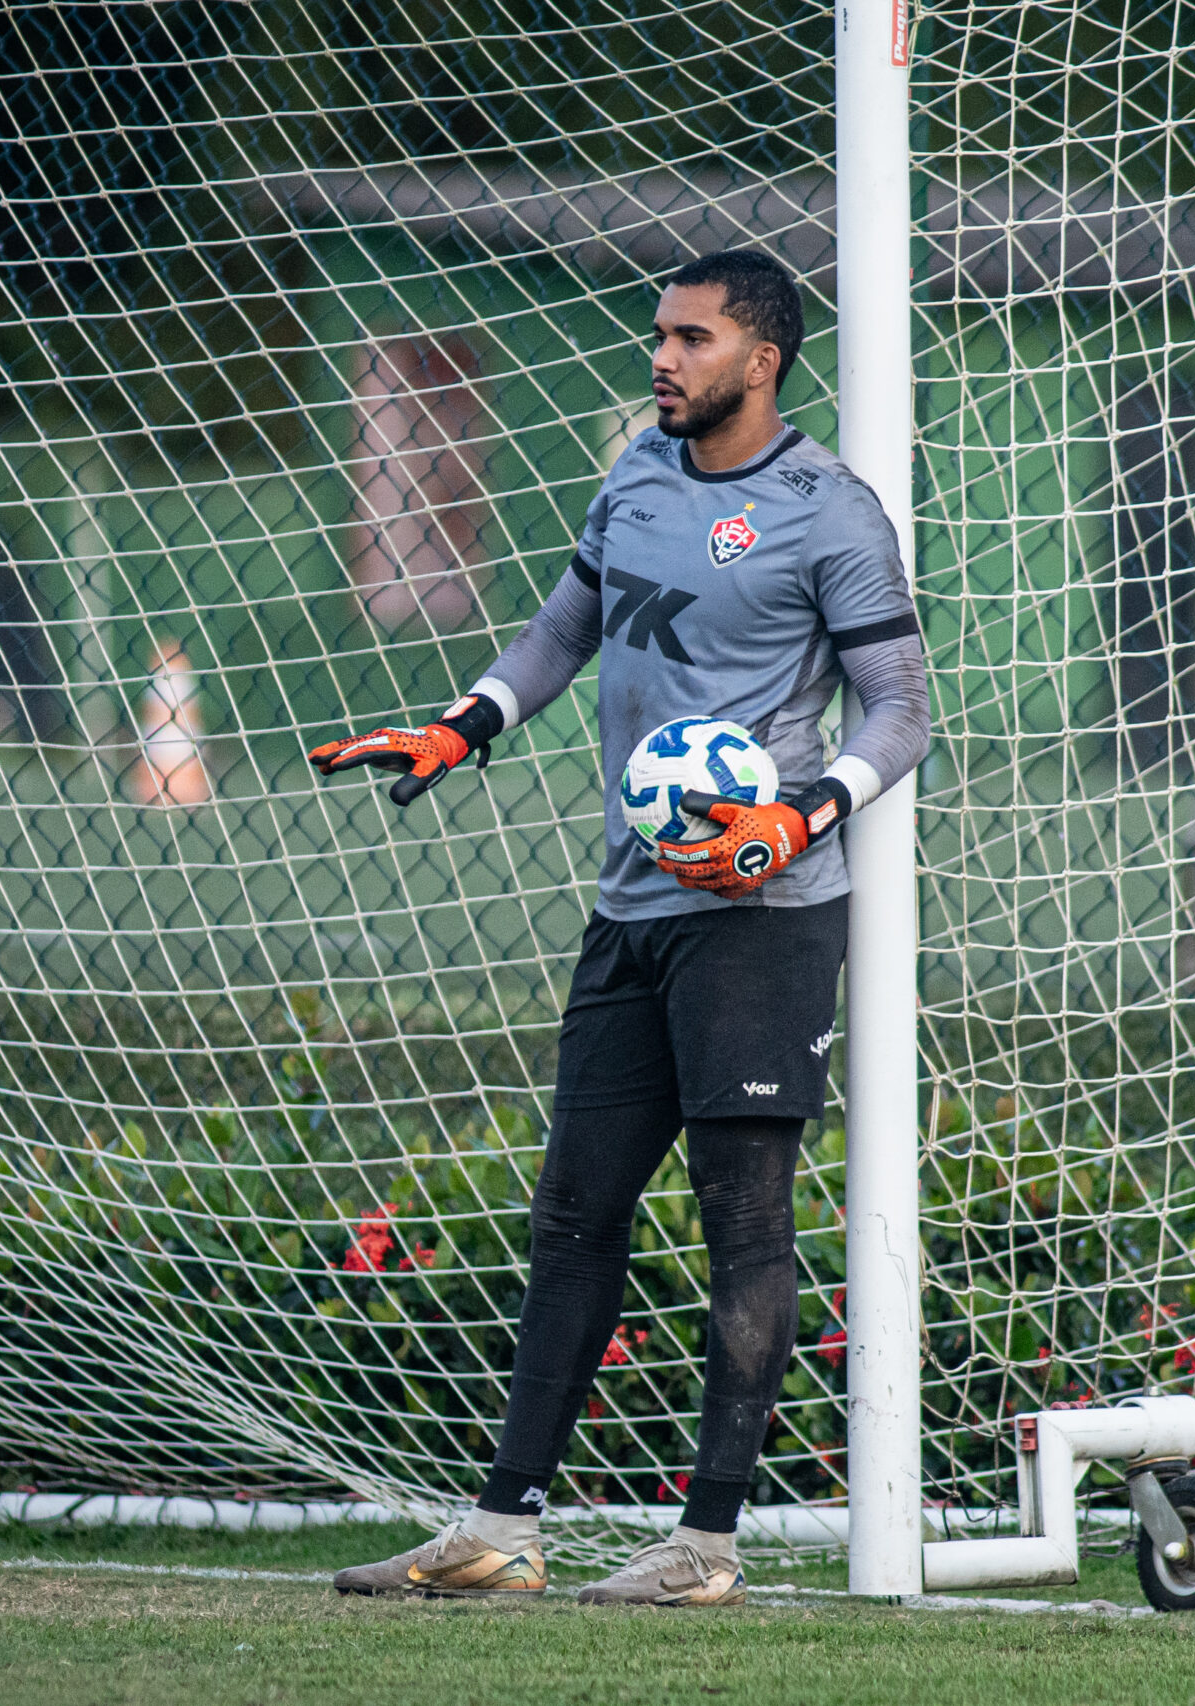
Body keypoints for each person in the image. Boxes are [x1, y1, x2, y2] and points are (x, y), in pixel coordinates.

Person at [307, 250, 931, 1607]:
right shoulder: (634, 475)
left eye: (691, 339)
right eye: (659, 334)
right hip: (630, 908)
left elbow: (901, 711)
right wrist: (459, 724)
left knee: (741, 1222)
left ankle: (705, 1547)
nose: (663, 358)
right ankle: (502, 1529)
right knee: (575, 1212)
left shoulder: (831, 511)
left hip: (761, 915)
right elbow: (560, 631)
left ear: (760, 360)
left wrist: (801, 815)